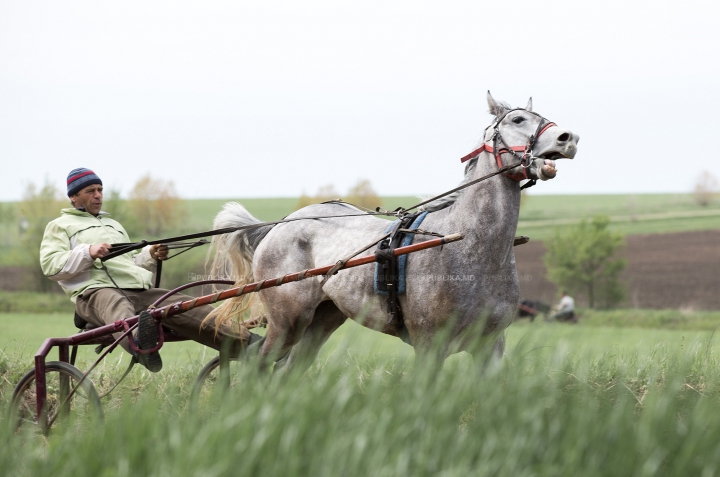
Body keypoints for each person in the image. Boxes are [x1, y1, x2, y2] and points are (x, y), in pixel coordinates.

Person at [39, 168, 252, 372]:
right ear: (74, 197)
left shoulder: (113, 225)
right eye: (90, 191)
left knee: (182, 305)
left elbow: (129, 262)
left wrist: (150, 254)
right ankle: (142, 346)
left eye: (100, 190)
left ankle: (249, 343)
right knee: (117, 304)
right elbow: (51, 265)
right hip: (93, 294)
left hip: (136, 289)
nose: (98, 195)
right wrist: (88, 251)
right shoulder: (60, 225)